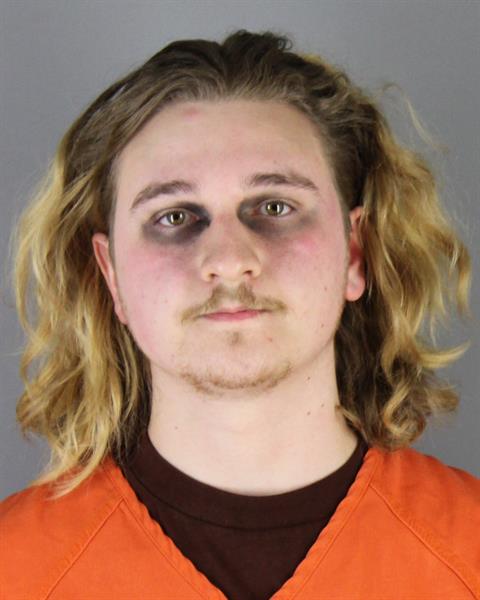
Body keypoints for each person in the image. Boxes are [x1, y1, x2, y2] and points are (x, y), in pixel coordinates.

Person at [1, 29, 478, 600]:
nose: (228, 260)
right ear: (112, 275)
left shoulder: (469, 549)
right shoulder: (14, 567)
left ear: (355, 253)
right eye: (174, 217)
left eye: (275, 206)